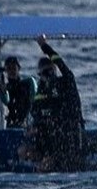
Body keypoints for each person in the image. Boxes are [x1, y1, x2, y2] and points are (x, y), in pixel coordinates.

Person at [28, 36, 84, 172]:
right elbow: (36, 111)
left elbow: (59, 62)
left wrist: (44, 46)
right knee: (27, 150)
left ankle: (54, 163)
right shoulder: (42, 90)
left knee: (67, 162)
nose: (49, 75)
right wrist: (35, 125)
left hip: (71, 132)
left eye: (51, 71)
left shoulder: (67, 81)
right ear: (40, 75)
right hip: (52, 134)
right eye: (45, 73)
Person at [0, 55, 35, 128]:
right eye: (9, 69)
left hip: (26, 120)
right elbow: (6, 101)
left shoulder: (26, 84)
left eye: (14, 68)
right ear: (6, 71)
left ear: (18, 69)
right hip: (12, 121)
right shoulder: (6, 87)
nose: (12, 71)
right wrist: (2, 90)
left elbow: (33, 98)